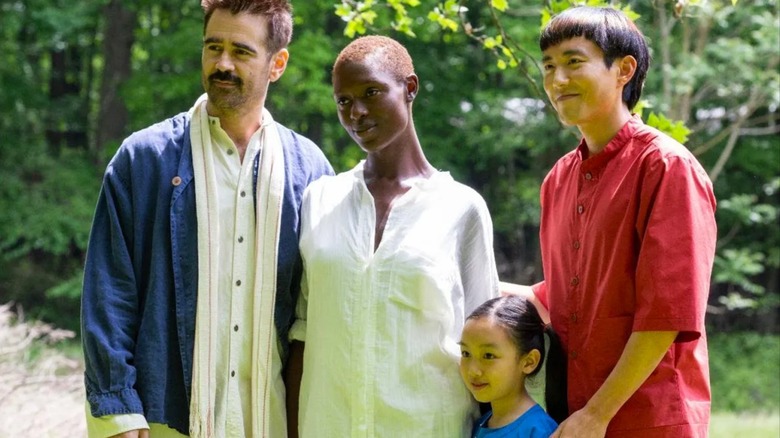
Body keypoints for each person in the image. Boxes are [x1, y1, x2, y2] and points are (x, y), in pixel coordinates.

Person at [80, 0, 333, 436]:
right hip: (162, 421)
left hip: (270, 422)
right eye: (213, 47)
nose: (222, 64)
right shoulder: (144, 159)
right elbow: (109, 291)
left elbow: (321, 309)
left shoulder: (309, 171)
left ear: (278, 64)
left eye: (241, 51)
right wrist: (118, 411)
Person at [504, 6, 717, 437]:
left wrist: (598, 413)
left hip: (649, 419)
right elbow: (564, 299)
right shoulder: (558, 180)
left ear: (623, 70)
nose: (556, 80)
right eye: (548, 66)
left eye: (573, 62)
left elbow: (667, 314)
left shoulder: (666, 167)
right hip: (573, 417)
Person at [286, 35, 500, 437]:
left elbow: (487, 345)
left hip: (429, 427)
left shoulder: (461, 208)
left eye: (371, 92)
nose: (357, 112)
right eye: (343, 101)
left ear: (410, 88)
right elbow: (303, 333)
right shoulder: (320, 200)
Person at [459, 295, 567, 438]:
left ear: (529, 362)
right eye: (466, 353)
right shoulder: (480, 423)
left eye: (488, 356)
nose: (473, 370)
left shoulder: (539, 430)